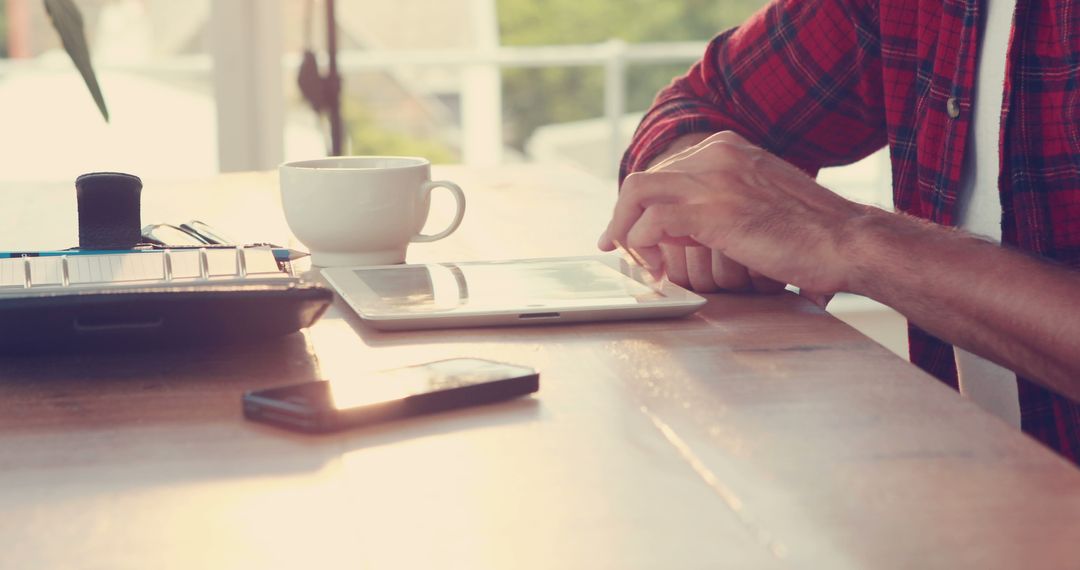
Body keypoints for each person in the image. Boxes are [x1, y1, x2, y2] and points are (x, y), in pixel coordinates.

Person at [599, 0, 1080, 466]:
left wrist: (853, 241)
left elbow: (841, 236)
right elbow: (702, 104)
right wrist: (697, 203)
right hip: (984, 500)